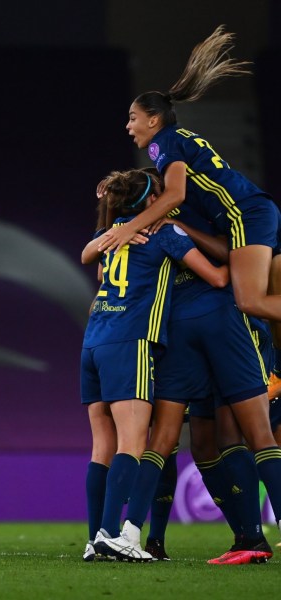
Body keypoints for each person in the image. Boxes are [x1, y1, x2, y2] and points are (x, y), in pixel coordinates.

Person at [96, 26, 281, 402]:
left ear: (153, 119)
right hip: (254, 210)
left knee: (250, 301)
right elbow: (178, 193)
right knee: (270, 297)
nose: (128, 126)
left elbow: (175, 192)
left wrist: (128, 228)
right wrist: (167, 217)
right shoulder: (179, 140)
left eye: (133, 118)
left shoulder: (163, 144)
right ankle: (276, 373)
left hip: (244, 214)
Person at [100, 205, 280, 564]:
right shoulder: (177, 218)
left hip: (192, 328)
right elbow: (226, 269)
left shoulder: (150, 226)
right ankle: (248, 537)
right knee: (210, 442)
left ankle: (132, 532)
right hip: (199, 326)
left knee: (220, 436)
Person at [80, 168, 229, 562]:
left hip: (93, 341)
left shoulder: (112, 233)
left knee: (102, 446)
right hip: (131, 341)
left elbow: (90, 260)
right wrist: (246, 266)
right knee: (133, 444)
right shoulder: (165, 233)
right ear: (151, 201)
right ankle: (111, 534)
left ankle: (94, 538)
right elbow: (217, 278)